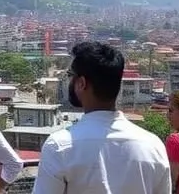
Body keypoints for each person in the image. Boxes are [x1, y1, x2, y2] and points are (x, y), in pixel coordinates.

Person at [32, 42, 170, 194]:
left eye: (71, 76)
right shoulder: (153, 146)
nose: (70, 81)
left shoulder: (60, 146)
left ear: (81, 83)